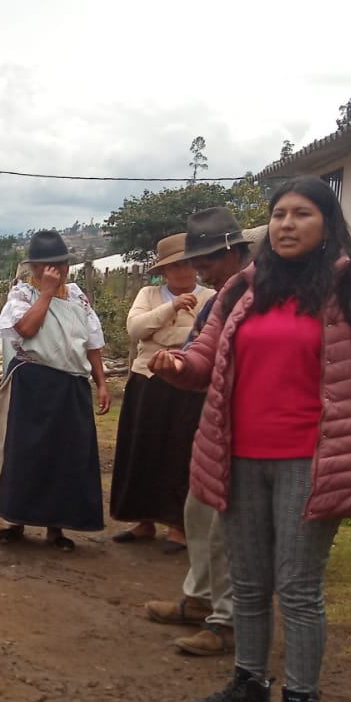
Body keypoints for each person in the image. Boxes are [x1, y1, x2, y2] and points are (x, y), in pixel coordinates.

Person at [150, 176, 351, 702]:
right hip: (239, 457)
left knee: (297, 587)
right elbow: (206, 355)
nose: (288, 224)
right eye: (280, 214)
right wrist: (178, 365)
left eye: (302, 214)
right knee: (246, 582)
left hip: (311, 461)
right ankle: (248, 687)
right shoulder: (246, 286)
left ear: (328, 223)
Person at [143, 208, 254, 657]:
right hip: (217, 418)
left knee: (229, 525)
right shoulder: (222, 299)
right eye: (195, 262)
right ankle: (199, 599)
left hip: (253, 424)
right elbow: (201, 350)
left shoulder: (264, 293)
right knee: (199, 509)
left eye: (205, 261)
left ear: (232, 251)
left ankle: (227, 622)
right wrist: (180, 363)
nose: (199, 271)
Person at [0, 230, 110, 550]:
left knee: (66, 456)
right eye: (45, 266)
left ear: (67, 265)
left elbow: (92, 343)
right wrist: (47, 293)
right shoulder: (23, 295)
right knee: (26, 454)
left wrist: (102, 383)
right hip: (33, 384)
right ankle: (15, 520)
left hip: (71, 386)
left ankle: (56, 528)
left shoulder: (77, 297)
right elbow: (25, 329)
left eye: (59, 265)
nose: (54, 271)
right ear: (34, 268)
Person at [110, 232, 213, 553]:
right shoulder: (150, 294)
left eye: (187, 264)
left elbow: (206, 337)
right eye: (174, 266)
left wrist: (162, 334)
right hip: (148, 381)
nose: (182, 271)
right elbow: (135, 330)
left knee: (180, 451)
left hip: (190, 384)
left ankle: (177, 525)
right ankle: (143, 520)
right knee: (143, 449)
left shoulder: (211, 297)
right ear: (164, 271)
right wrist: (171, 309)